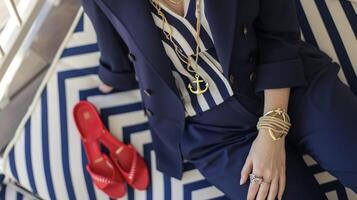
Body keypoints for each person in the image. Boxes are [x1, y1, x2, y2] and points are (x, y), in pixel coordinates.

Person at [81, 0, 357, 199]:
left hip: (289, 83)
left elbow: (279, 33)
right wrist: (112, 76)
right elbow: (113, 44)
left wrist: (272, 131)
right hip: (213, 136)